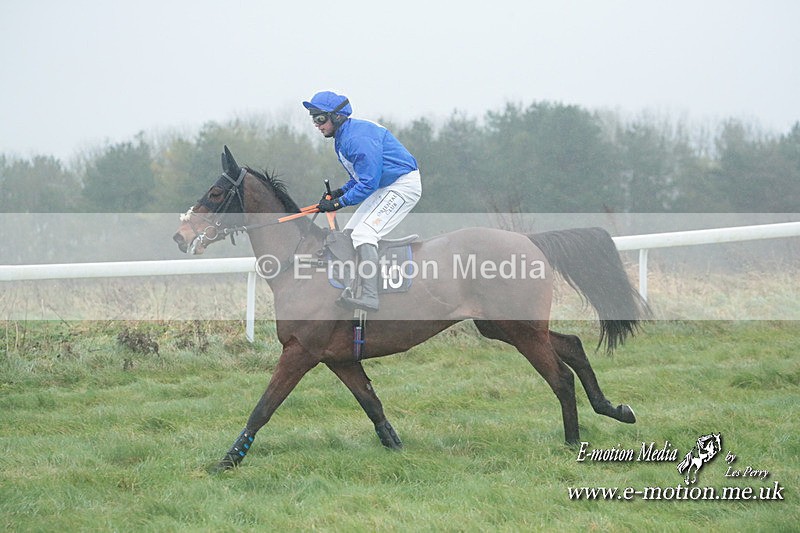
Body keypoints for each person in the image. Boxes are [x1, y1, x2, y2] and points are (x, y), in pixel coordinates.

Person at [303, 90, 421, 312]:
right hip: (386, 185)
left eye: (320, 118)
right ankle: (354, 288)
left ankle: (370, 296)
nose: (317, 125)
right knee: (349, 235)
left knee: (364, 234)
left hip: (403, 186)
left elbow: (368, 183)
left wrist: (338, 204)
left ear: (336, 117)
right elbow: (359, 178)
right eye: (314, 119)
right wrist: (339, 192)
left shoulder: (356, 139)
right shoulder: (342, 138)